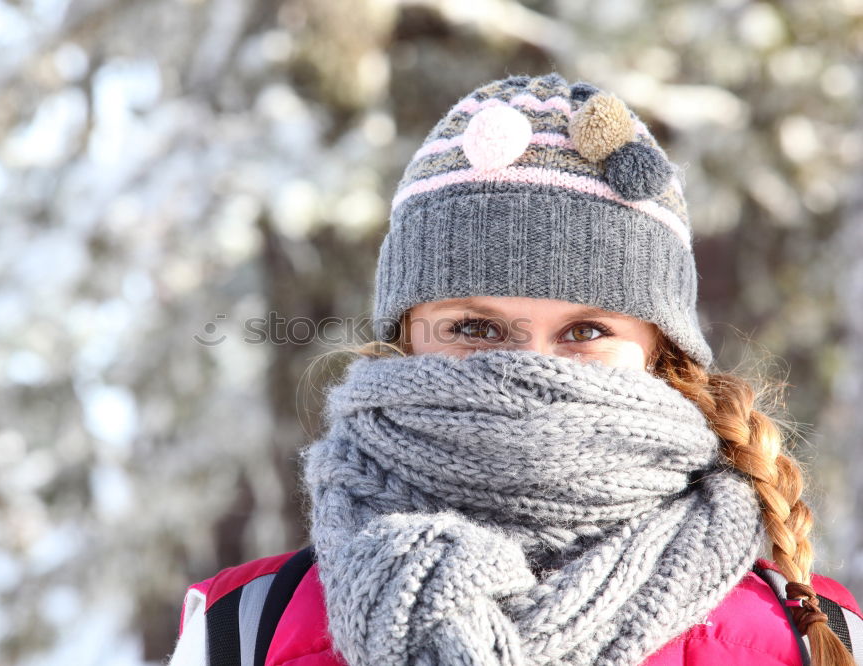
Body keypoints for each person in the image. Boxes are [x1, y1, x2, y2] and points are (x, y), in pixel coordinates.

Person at [167, 73, 862, 666]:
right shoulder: (246, 628)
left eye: (587, 330)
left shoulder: (814, 638)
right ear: (406, 338)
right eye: (475, 328)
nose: (528, 370)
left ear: (659, 352)